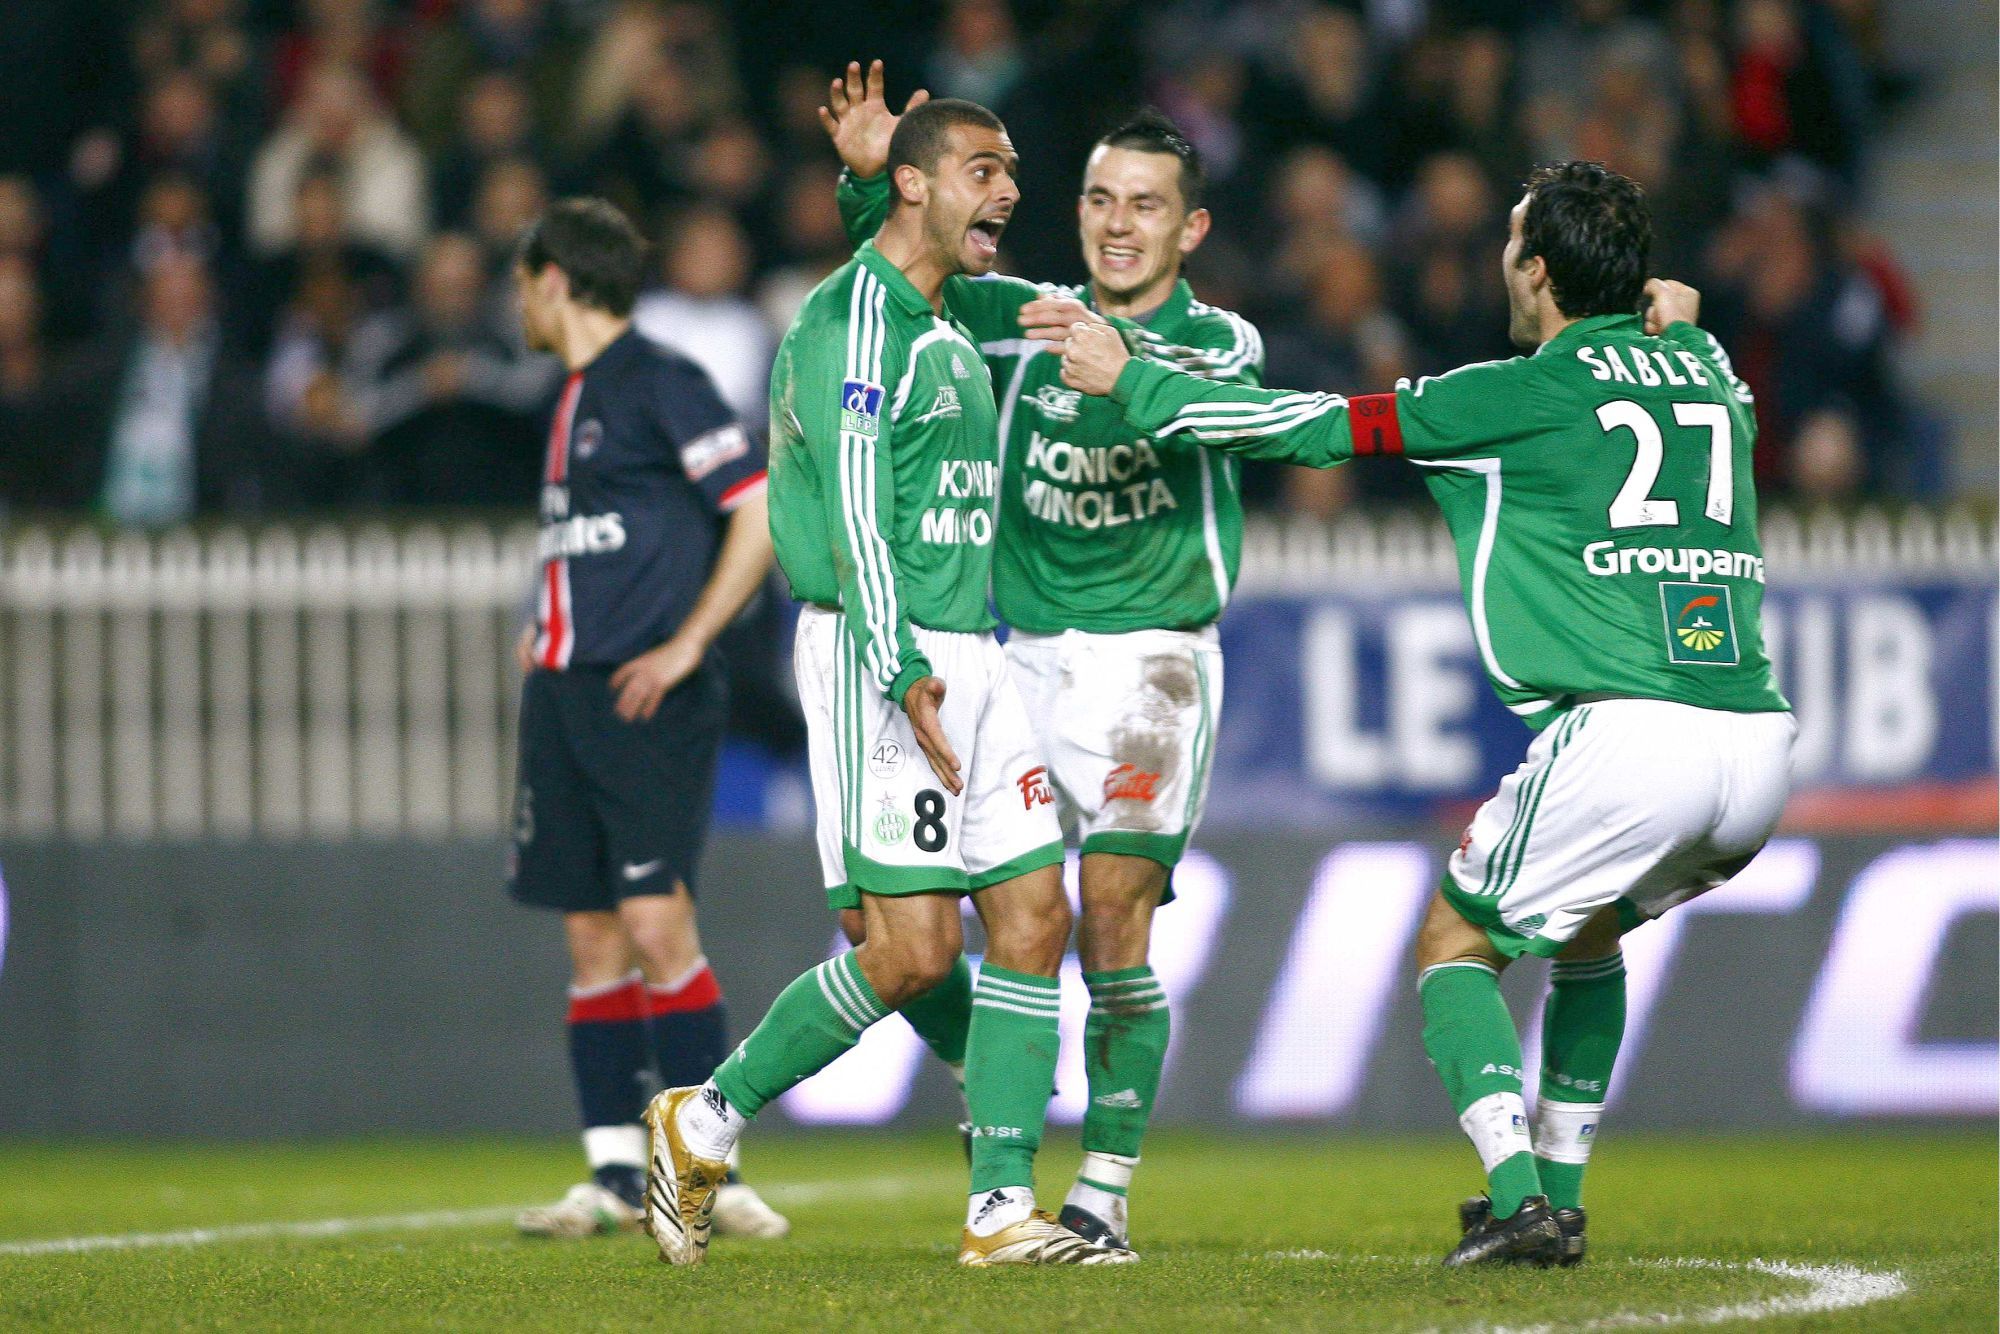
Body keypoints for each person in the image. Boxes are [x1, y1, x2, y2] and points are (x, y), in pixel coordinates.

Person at [1044, 161, 1795, 1267]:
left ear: (1534, 270)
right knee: (1584, 932)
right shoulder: (1698, 365)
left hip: (1634, 733)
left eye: (1509, 241)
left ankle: (1516, 1194)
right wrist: (1668, 311)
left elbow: (1299, 426)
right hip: (1757, 744)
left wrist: (1133, 383)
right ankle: (1564, 1188)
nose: (1500, 258)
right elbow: (1692, 344)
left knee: (1451, 944)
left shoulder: (1512, 392)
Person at [643, 96, 1132, 1269]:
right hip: (884, 647)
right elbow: (855, 508)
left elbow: (945, 270)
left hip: (975, 646)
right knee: (904, 948)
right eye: (981, 167)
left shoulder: (941, 307)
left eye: (1011, 168)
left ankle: (996, 1206)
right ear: (920, 185)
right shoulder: (854, 320)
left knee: (1031, 914)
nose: (1008, 190)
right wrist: (901, 665)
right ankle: (702, 1116)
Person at [821, 61, 1261, 1250]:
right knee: (902, 923)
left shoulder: (1221, 342)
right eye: (1100, 201)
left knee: (1112, 914)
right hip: (1016, 657)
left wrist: (1124, 366)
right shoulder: (1021, 319)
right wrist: (874, 190)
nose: (1119, 226)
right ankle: (997, 1110)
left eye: (1147, 205)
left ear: (1191, 224)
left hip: (1151, 670)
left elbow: (1203, 403)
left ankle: (1102, 1191)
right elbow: (899, 283)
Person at [502, 198, 788, 1245]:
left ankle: (711, 1166)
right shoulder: (569, 390)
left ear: (555, 280)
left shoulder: (658, 379)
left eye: (523, 281)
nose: (517, 301)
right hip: (565, 693)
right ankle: (615, 1176)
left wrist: (686, 643)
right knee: (591, 935)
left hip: (645, 694)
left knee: (659, 923)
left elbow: (755, 507)